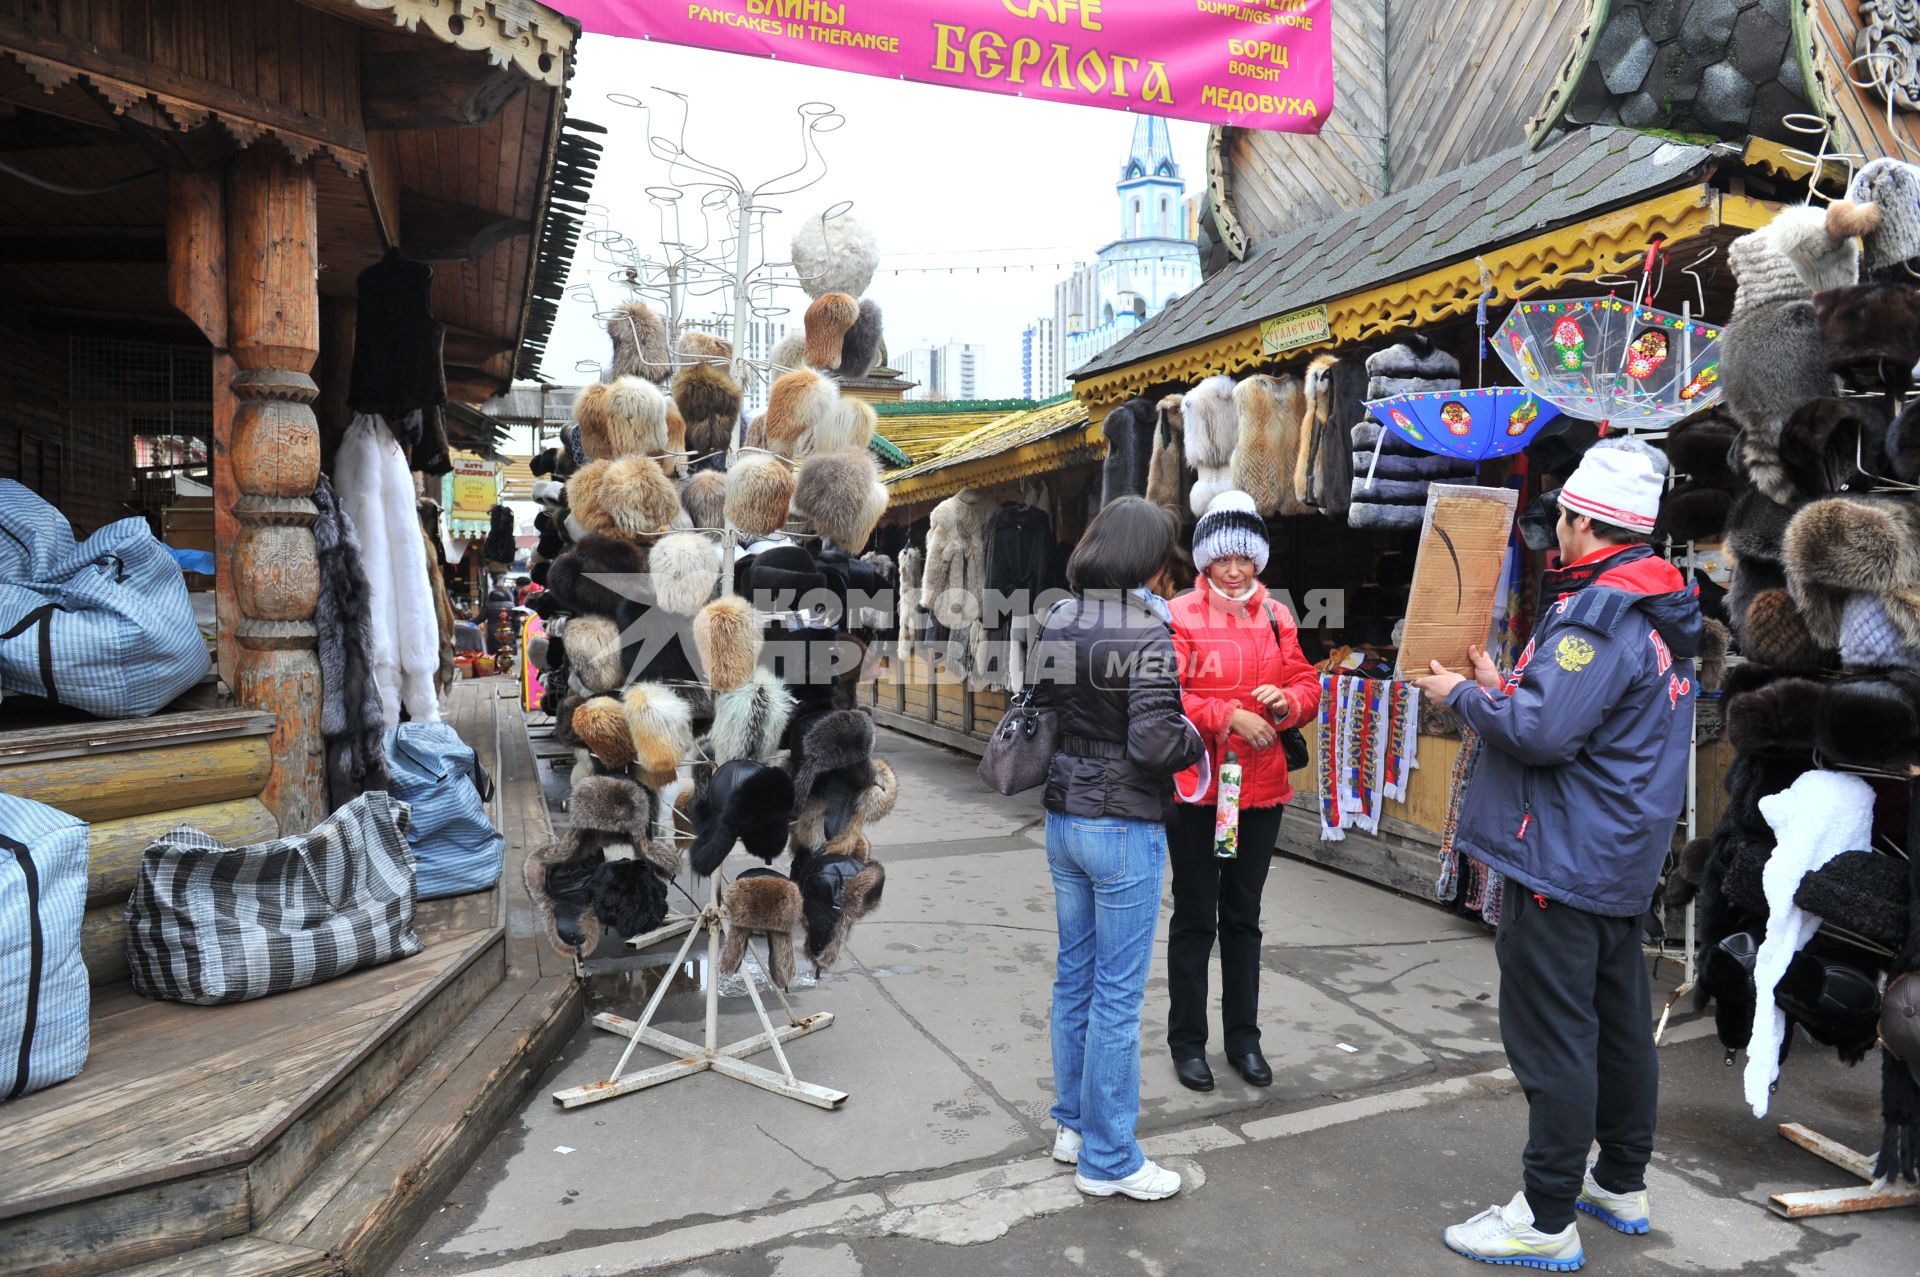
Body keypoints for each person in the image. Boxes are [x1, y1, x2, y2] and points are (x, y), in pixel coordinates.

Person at [1413, 442, 1699, 1271]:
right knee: (1616, 1029)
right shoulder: (1659, 604)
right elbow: (1578, 718)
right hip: (1615, 856)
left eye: (1563, 516)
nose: (1556, 531)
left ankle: (1543, 1217)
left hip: (1564, 859)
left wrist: (1463, 695)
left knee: (1554, 1038)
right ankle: (1618, 1180)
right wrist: (1505, 683)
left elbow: (1542, 733)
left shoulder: (1598, 612)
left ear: (1584, 521)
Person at [1029, 496, 1204, 1202]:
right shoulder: (1149, 633)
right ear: (1145, 557)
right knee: (1117, 995)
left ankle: (1073, 1127)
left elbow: (1040, 707)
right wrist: (1197, 735)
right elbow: (1155, 742)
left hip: (1065, 817)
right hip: (1123, 824)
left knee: (1075, 975)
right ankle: (1110, 1156)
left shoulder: (1059, 617)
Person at [1164, 491, 1320, 1092]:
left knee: (1244, 916)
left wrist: (1290, 704)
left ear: (1258, 559)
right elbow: (1168, 694)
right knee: (1197, 915)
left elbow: (1305, 680)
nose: (1235, 570)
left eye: (1245, 558)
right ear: (1205, 561)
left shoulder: (1278, 616)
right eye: (1223, 559)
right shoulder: (1179, 616)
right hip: (1203, 790)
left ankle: (1244, 1039)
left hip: (1257, 791)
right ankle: (1187, 1041)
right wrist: (1228, 716)